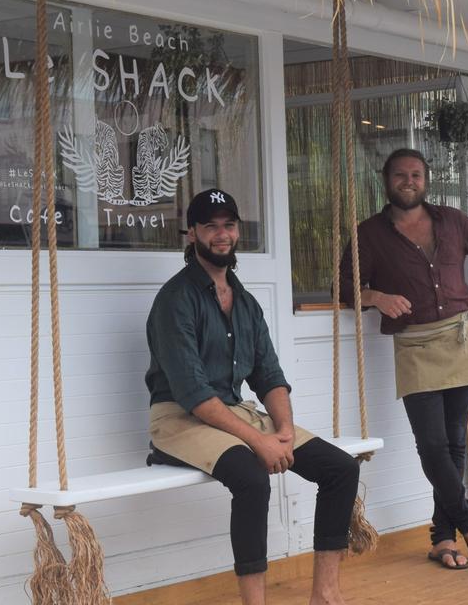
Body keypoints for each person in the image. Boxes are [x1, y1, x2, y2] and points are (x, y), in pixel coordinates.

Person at [146, 188, 360, 605]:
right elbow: (192, 392)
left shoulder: (244, 302)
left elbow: (270, 376)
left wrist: (281, 431)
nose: (221, 234)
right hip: (179, 418)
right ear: (192, 234)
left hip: (233, 413)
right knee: (251, 477)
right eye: (210, 226)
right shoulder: (176, 300)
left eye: (228, 225)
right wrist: (258, 442)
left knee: (340, 469)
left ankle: (326, 595)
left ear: (238, 231)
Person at [340, 148, 468, 571]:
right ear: (386, 180)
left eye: (416, 174)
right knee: (432, 445)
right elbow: (344, 287)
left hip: (458, 340)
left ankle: (442, 538)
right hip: (414, 347)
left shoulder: (451, 220)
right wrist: (376, 296)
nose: (409, 181)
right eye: (401, 175)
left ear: (426, 180)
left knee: (453, 445)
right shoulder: (369, 235)